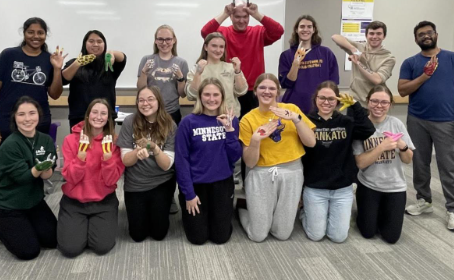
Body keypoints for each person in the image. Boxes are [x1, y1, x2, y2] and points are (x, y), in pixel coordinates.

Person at [398, 21, 454, 232]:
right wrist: (424, 76)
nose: (425, 36)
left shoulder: (453, 58)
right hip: (417, 120)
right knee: (420, 163)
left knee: (448, 166)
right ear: (416, 39)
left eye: (429, 33)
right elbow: (402, 90)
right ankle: (424, 201)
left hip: (447, 121)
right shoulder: (410, 62)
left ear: (436, 34)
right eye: (421, 34)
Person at [238, 73, 316, 242]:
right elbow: (250, 162)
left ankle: (266, 215)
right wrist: (256, 140)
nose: (267, 91)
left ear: (278, 92)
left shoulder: (292, 110)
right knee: (258, 235)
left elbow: (311, 143)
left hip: (292, 172)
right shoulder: (247, 119)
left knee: (282, 234)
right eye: (262, 87)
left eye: (272, 88)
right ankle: (243, 209)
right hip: (261, 173)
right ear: (255, 91)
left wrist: (296, 120)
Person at [0, 96, 57, 260]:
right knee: (29, 251)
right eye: (21, 114)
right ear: (14, 117)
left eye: (31, 113)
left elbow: (48, 174)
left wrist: (46, 169)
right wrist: (38, 167)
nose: (27, 119)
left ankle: (25, 224)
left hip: (33, 202)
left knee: (53, 240)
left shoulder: (45, 140)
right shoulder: (9, 145)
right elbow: (23, 177)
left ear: (39, 115)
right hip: (9, 205)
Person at [300, 81, 375, 243]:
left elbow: (369, 130)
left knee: (338, 237)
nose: (326, 102)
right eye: (322, 98)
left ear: (338, 101)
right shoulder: (306, 122)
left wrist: (355, 105)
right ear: (315, 99)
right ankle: (305, 212)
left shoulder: (346, 122)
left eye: (331, 99)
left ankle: (324, 214)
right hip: (315, 187)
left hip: (342, 188)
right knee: (316, 235)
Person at [175, 78, 241, 245]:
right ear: (200, 97)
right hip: (196, 186)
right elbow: (181, 161)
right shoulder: (188, 122)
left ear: (222, 97)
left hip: (222, 184)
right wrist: (189, 194)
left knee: (220, 238)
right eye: (207, 94)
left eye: (215, 95)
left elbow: (234, 157)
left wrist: (229, 131)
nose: (211, 99)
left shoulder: (231, 120)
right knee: (198, 238)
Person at [58, 99, 125, 257]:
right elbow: (70, 178)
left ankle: (92, 226)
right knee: (70, 250)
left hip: (103, 202)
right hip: (74, 202)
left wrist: (108, 160)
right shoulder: (71, 140)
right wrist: (80, 158)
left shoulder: (114, 142)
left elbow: (110, 181)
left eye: (103, 113)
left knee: (101, 247)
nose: (98, 117)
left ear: (108, 118)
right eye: (94, 112)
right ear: (87, 115)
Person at [0, 17, 66, 146]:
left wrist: (57, 69)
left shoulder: (49, 59)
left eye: (40, 32)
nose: (36, 36)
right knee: (10, 163)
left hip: (38, 122)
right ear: (24, 33)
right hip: (8, 121)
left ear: (45, 35)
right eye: (31, 32)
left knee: (37, 164)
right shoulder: (8, 55)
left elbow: (55, 95)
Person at [352, 86, 415, 243]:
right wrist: (382, 147)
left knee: (391, 238)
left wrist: (403, 146)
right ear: (368, 102)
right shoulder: (361, 125)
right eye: (374, 101)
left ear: (390, 104)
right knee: (368, 232)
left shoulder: (396, 124)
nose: (378, 106)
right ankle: (368, 211)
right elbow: (360, 163)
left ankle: (380, 212)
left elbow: (408, 159)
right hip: (369, 185)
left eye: (384, 102)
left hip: (395, 187)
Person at [201, 0, 284, 118]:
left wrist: (257, 14)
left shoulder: (258, 32)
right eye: (237, 16)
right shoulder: (223, 32)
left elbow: (278, 31)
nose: (241, 20)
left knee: (253, 127)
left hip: (254, 92)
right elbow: (205, 33)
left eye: (245, 16)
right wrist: (224, 13)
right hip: (229, 90)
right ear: (231, 17)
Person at [117, 86, 177, 242]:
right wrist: (137, 152)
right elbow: (125, 160)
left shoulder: (170, 124)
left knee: (159, 234)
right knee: (137, 235)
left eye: (150, 99)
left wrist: (155, 148)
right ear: (136, 103)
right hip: (135, 184)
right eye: (141, 100)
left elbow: (167, 165)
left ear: (159, 101)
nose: (145, 103)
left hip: (161, 182)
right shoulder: (129, 121)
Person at [62, 30, 126, 129]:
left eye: (99, 41)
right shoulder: (74, 63)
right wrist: (77, 63)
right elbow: (63, 79)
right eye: (91, 41)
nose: (95, 44)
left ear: (104, 44)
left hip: (105, 118)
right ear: (85, 44)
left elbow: (123, 58)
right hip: (79, 117)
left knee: (106, 144)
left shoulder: (109, 64)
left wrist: (111, 52)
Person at [279, 15, 339, 114]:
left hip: (320, 108)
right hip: (294, 107)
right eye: (302, 26)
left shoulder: (326, 53)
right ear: (296, 30)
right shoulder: (286, 55)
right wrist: (295, 64)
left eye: (309, 26)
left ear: (314, 30)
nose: (305, 29)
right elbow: (286, 84)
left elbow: (333, 84)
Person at [331, 21, 396, 106]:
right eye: (371, 33)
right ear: (366, 36)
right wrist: (353, 49)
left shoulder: (389, 58)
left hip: (374, 104)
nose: (375, 37)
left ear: (384, 36)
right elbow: (335, 37)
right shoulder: (359, 47)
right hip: (354, 101)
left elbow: (377, 79)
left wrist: (358, 63)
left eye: (378, 34)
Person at [186, 32, 248, 117]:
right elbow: (191, 95)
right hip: (204, 117)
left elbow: (241, 91)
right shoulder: (197, 68)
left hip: (229, 117)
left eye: (221, 47)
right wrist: (198, 73)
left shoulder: (231, 67)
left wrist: (237, 72)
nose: (218, 50)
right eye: (214, 46)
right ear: (206, 47)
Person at [137, 25, 189, 125]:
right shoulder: (147, 60)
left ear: (174, 40)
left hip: (172, 113)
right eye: (160, 39)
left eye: (168, 39)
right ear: (155, 41)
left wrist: (180, 78)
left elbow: (183, 94)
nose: (164, 43)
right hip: (149, 111)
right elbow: (141, 89)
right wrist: (144, 72)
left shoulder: (181, 62)